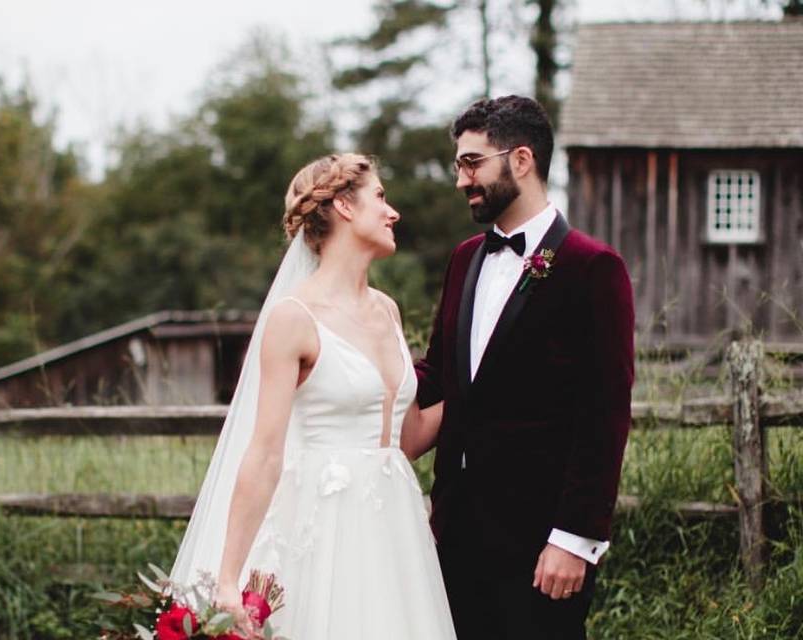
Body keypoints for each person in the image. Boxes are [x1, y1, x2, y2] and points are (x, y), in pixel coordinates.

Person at [169, 153, 457, 639]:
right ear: (344, 206)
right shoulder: (293, 318)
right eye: (381, 198)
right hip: (325, 535)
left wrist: (486, 384)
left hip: (397, 537)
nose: (394, 213)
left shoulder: (387, 310)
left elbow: (405, 439)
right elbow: (263, 453)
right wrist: (227, 579)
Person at [415, 96, 635, 639]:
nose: (461, 179)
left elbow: (605, 414)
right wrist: (359, 368)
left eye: (472, 163)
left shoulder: (593, 268)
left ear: (520, 160)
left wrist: (573, 538)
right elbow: (440, 378)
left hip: (541, 545)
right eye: (458, 164)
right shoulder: (465, 258)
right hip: (455, 536)